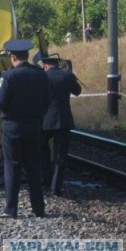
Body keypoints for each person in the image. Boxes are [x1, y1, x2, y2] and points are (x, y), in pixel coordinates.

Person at [0, 39, 49, 219]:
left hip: (12, 127)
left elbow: (0, 102)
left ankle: (11, 209)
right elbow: (46, 101)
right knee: (34, 167)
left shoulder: (8, 76)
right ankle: (38, 209)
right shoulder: (41, 74)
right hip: (34, 126)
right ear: (27, 56)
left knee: (12, 167)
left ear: (12, 57)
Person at [41, 56, 82, 196]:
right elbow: (77, 91)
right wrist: (71, 76)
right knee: (61, 156)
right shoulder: (67, 76)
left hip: (44, 121)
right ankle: (56, 188)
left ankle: (45, 179)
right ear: (57, 65)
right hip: (62, 121)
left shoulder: (41, 77)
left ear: (45, 66)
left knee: (42, 151)